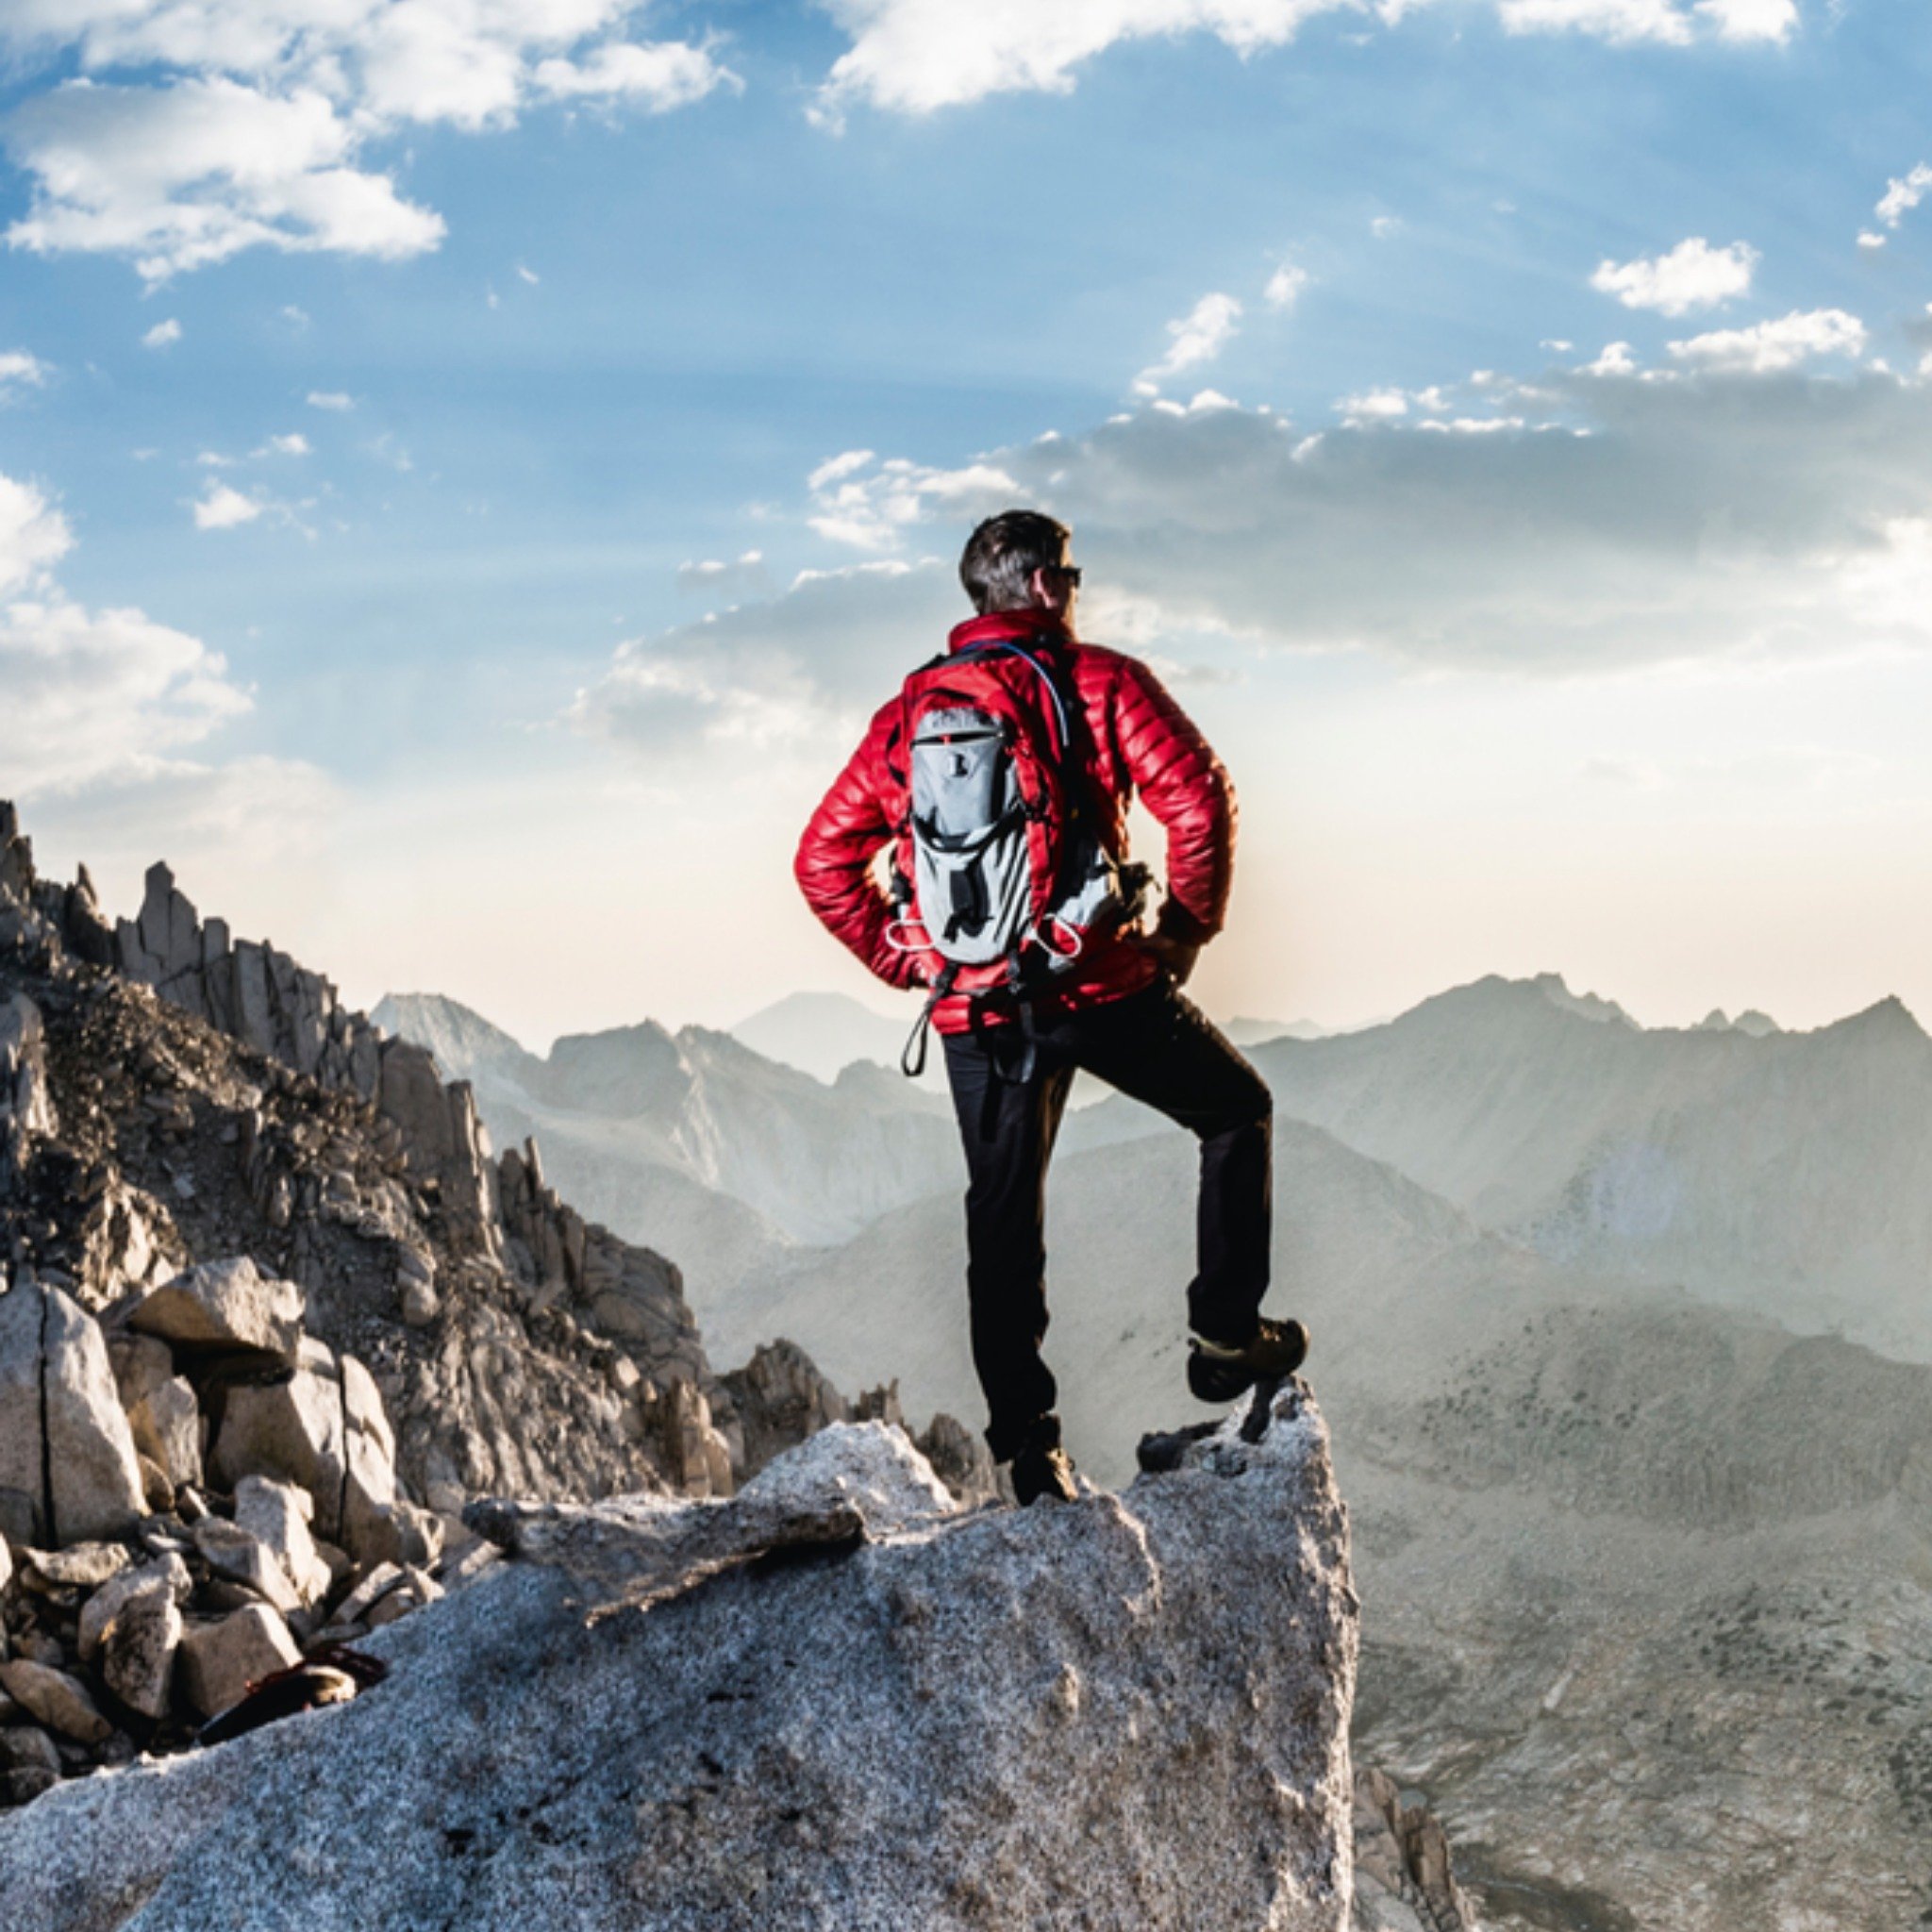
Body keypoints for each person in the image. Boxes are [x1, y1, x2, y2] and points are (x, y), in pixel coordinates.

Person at [794, 509, 1306, 1505]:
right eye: (1068, 573)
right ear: (1038, 586)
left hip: (974, 1014)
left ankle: (1029, 1451)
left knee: (1000, 1223)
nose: (1073, 588)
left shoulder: (908, 717)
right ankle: (1224, 1337)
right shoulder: (1098, 681)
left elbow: (822, 859)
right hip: (1091, 982)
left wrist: (911, 959)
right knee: (1232, 1110)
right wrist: (1184, 932)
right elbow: (1197, 794)